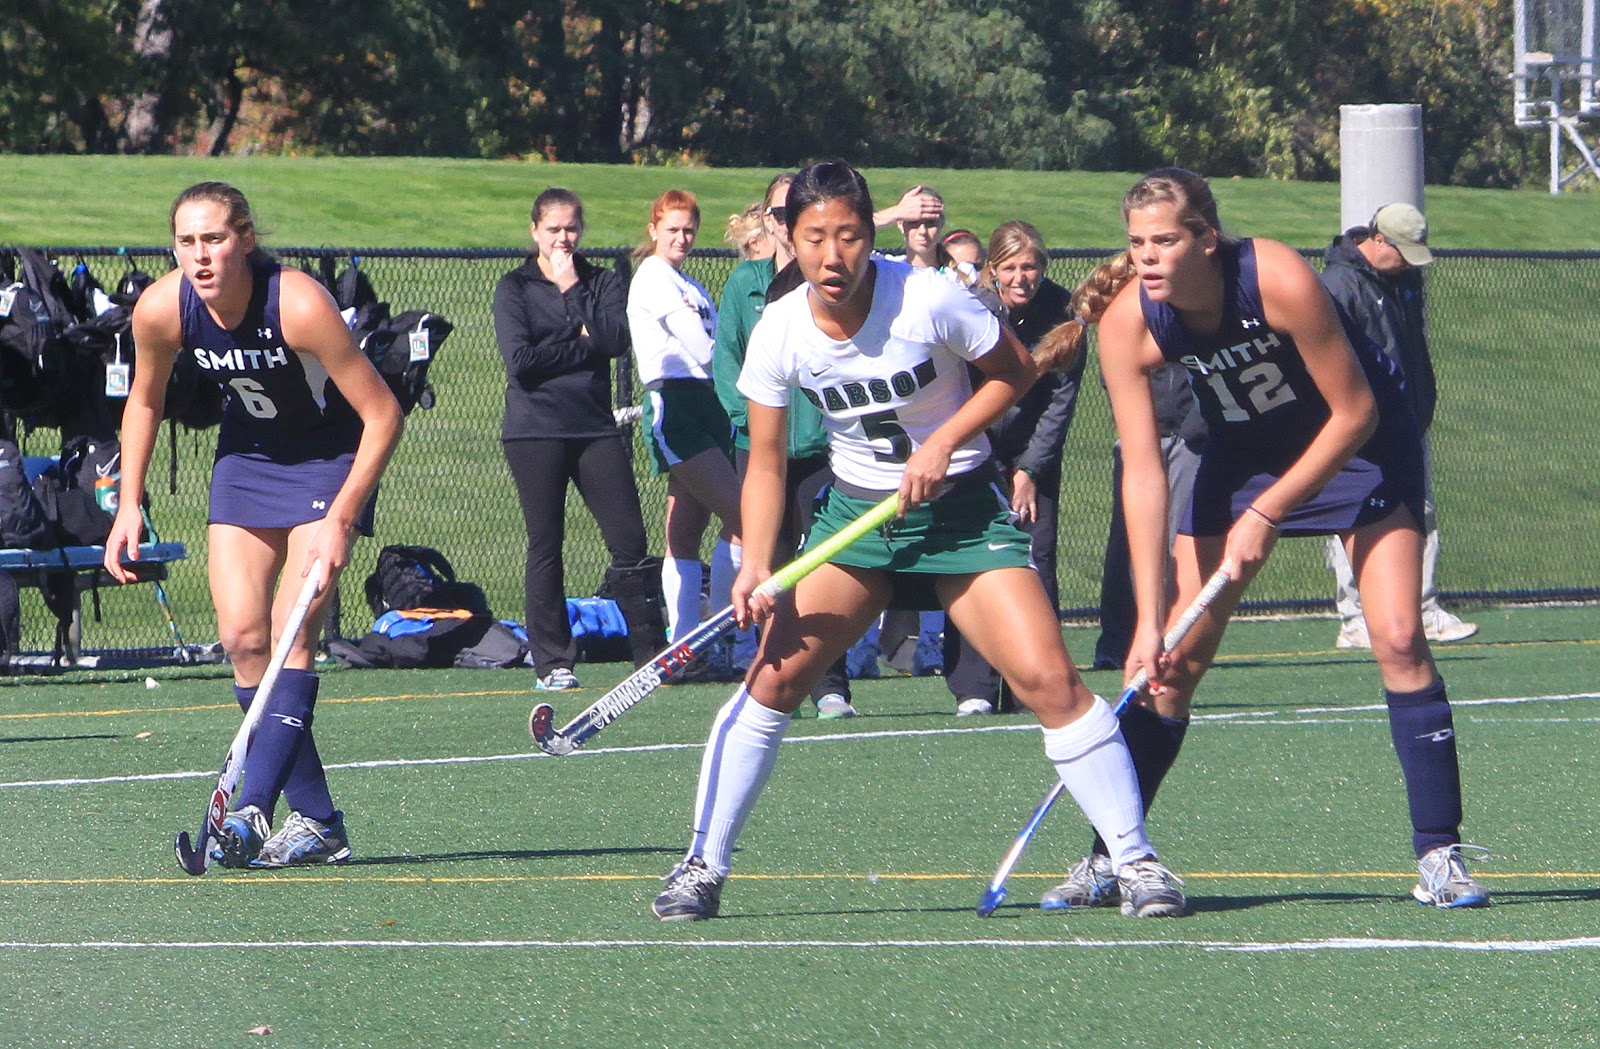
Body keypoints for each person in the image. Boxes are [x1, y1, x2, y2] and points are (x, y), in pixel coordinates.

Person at [650, 160, 1188, 922]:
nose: (832, 256)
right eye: (814, 238)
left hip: (962, 514)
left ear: (873, 235)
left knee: (1050, 681)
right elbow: (764, 462)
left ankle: (1134, 860)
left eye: (848, 236)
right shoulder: (780, 328)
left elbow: (1015, 372)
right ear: (790, 240)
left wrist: (946, 444)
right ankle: (702, 862)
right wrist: (758, 560)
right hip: (856, 523)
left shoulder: (928, 296)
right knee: (770, 683)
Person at [1040, 168, 1487, 912]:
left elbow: (1355, 413)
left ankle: (1439, 854)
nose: (1147, 258)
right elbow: (1145, 476)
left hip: (1358, 448)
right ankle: (1112, 856)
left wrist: (1270, 511)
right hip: (1243, 456)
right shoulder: (1128, 321)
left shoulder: (1274, 275)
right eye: (1136, 243)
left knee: (1401, 636)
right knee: (1170, 664)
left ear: (1206, 241)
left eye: (1165, 241)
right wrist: (1148, 619)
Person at [105, 181, 403, 868]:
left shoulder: (295, 303)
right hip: (248, 461)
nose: (201, 256)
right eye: (187, 241)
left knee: (293, 630)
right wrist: (128, 505)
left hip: (329, 460)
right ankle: (321, 820)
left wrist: (342, 517)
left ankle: (251, 810)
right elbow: (144, 401)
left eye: (214, 239)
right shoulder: (162, 308)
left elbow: (384, 414)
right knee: (242, 637)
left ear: (245, 238)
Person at [493, 187, 667, 692]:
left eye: (571, 228)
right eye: (553, 230)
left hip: (593, 427)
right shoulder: (515, 287)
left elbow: (614, 342)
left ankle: (650, 653)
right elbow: (521, 363)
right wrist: (580, 344)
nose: (563, 238)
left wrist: (572, 289)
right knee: (547, 543)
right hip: (535, 430)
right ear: (535, 232)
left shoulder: (600, 282)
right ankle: (552, 660)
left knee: (629, 539)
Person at [711, 172, 857, 718]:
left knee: (823, 566)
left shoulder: (832, 283)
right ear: (772, 223)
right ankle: (768, 678)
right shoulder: (746, 285)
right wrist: (747, 423)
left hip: (823, 452)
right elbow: (727, 364)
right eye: (779, 214)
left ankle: (831, 684)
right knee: (765, 567)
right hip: (760, 450)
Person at [943, 221, 1084, 716]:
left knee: (1035, 558)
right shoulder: (972, 308)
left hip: (1033, 452)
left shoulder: (1063, 312)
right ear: (992, 270)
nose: (1022, 277)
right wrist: (976, 454)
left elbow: (1060, 400)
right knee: (970, 559)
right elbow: (955, 389)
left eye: (1031, 267)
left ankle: (1035, 682)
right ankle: (974, 687)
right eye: (1011, 268)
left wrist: (1029, 470)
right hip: (974, 449)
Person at [1320, 203, 1477, 649]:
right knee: (1353, 516)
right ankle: (1355, 619)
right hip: (1358, 427)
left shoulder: (1405, 280)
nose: (1409, 262)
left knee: (1418, 512)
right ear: (1378, 240)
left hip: (1406, 423)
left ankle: (1420, 610)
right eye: (1403, 251)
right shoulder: (1338, 283)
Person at [625, 190, 742, 647]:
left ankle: (687, 642)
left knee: (686, 531)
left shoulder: (687, 281)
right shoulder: (654, 278)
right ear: (654, 230)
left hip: (708, 403)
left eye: (689, 229)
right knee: (747, 517)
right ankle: (723, 634)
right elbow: (701, 349)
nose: (682, 237)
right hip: (677, 406)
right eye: (672, 229)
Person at [1091, 360, 1205, 670]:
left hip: (1190, 440)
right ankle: (1116, 643)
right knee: (1127, 546)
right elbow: (1115, 369)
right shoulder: (1128, 320)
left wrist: (1195, 423)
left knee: (1180, 545)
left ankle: (1174, 639)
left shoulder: (1191, 316)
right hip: (1139, 439)